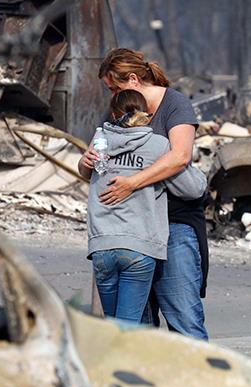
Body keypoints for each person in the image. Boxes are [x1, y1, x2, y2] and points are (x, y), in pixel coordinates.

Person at [82, 48, 210, 340]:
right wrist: (85, 161)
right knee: (139, 325)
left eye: (114, 88)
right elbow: (95, 163)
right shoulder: (119, 110)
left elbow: (180, 157)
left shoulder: (175, 104)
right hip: (134, 228)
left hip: (173, 224)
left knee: (182, 316)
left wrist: (133, 182)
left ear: (132, 79)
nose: (112, 96)